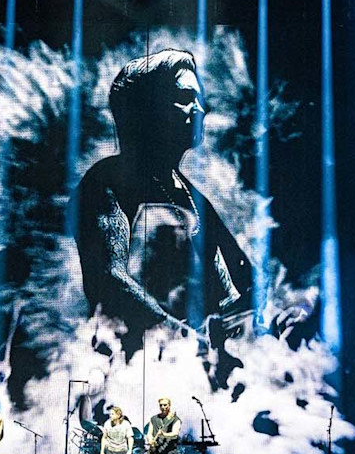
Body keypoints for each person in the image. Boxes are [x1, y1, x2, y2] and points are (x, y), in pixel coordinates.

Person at [75, 50, 255, 383]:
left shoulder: (191, 195)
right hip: (134, 373)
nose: (200, 109)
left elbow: (244, 275)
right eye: (186, 98)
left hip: (200, 372)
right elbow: (109, 278)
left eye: (199, 99)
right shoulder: (106, 182)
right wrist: (189, 340)